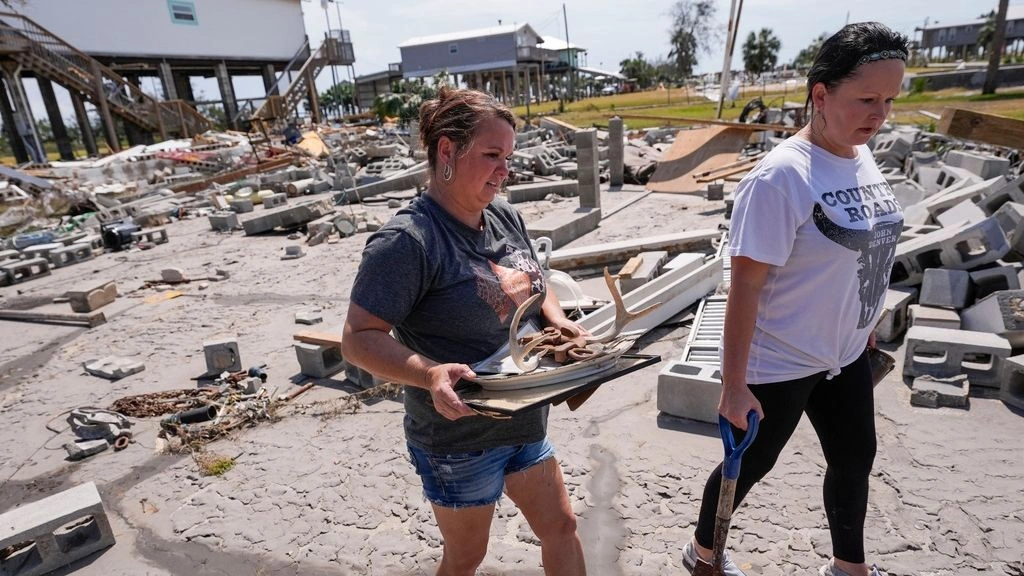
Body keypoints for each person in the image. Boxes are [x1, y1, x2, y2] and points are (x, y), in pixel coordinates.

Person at [680, 22, 909, 576]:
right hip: (780, 357)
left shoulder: (859, 155)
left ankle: (848, 567)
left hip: (847, 352)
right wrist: (733, 385)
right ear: (821, 95)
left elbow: (863, 250)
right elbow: (745, 288)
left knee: (855, 460)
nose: (878, 114)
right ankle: (704, 553)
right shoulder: (781, 179)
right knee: (753, 461)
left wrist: (864, 319)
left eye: (888, 100)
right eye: (866, 99)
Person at [342, 86, 587, 576]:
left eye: (509, 157)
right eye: (492, 155)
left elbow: (533, 281)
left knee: (561, 527)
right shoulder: (407, 242)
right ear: (447, 152)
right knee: (466, 558)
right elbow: (357, 338)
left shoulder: (504, 215)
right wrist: (431, 374)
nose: (505, 171)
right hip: (458, 437)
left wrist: (558, 324)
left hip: (523, 420)